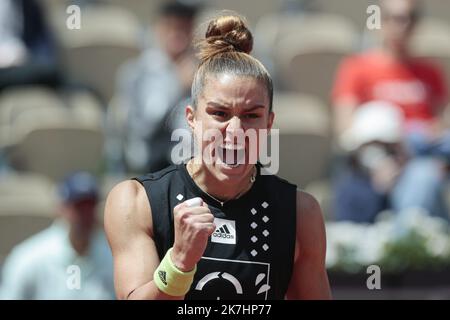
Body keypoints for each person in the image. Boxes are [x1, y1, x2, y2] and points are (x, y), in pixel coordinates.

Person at [105, 14, 331, 300]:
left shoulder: (301, 213)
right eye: (220, 114)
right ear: (191, 119)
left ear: (269, 124)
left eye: (251, 116)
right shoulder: (137, 201)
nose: (235, 131)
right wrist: (179, 261)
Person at [332, 0, 449, 223]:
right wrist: (379, 160)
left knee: (426, 168)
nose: (403, 26)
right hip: (386, 152)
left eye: (411, 18)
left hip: (426, 152)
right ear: (380, 21)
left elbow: (443, 122)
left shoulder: (430, 71)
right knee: (423, 178)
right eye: (396, 18)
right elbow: (345, 130)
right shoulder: (358, 67)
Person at [0, 172, 114, 299]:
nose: (85, 215)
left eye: (90, 207)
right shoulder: (29, 259)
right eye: (78, 207)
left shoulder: (112, 259)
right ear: (61, 208)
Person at [117, 1, 199, 173]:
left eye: (185, 28)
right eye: (172, 27)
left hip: (194, 162)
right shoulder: (138, 71)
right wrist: (177, 84)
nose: (179, 35)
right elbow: (146, 126)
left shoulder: (200, 69)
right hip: (153, 163)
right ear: (158, 29)